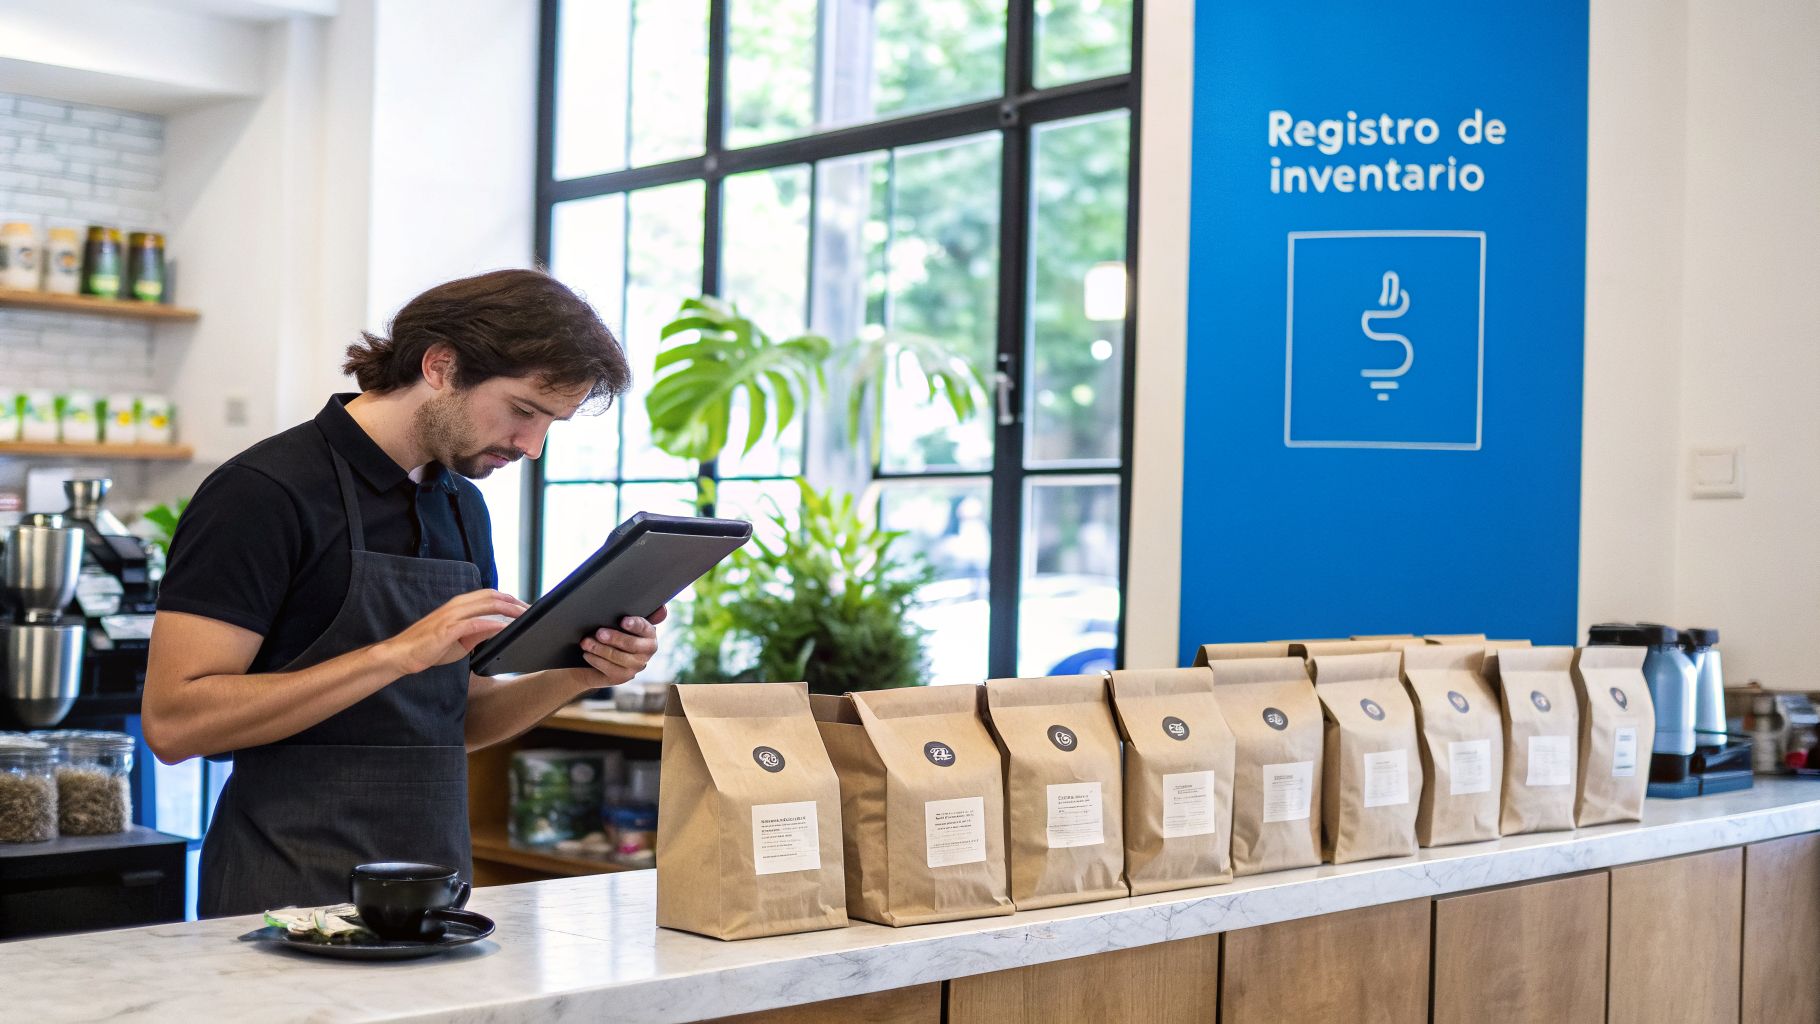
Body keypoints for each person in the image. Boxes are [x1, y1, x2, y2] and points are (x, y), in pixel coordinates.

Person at [142, 268, 663, 917]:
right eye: (524, 411)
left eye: (549, 424)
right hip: (283, 901)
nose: (531, 447)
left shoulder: (462, 507)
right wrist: (398, 654)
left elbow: (458, 720)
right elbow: (173, 722)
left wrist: (581, 672)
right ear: (441, 365)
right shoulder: (263, 494)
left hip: (435, 899)